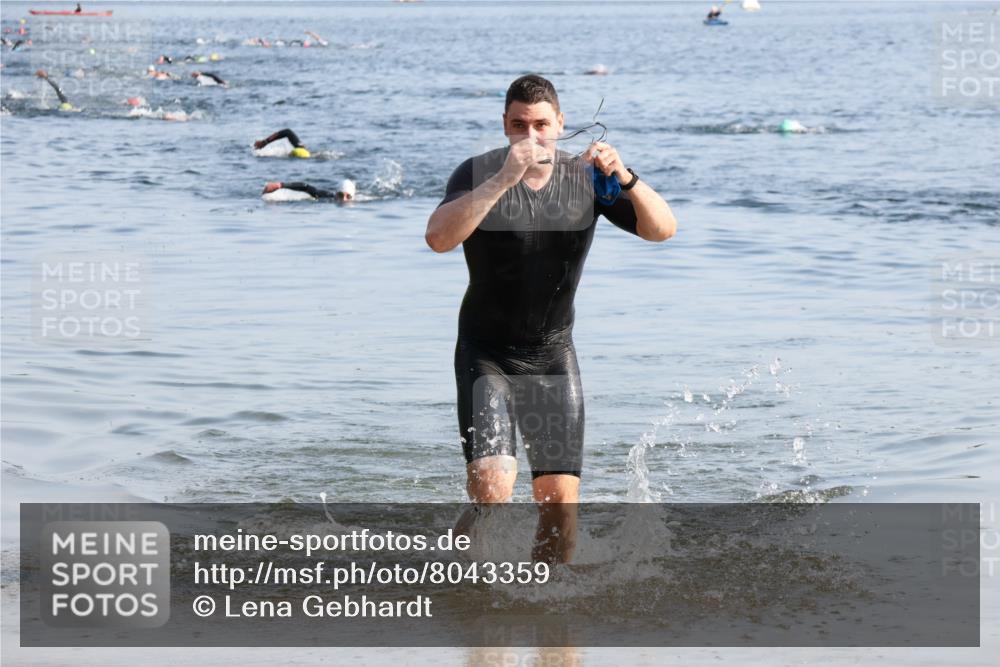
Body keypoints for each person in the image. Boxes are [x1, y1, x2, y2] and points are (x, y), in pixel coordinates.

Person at [425, 74, 676, 564]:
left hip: (551, 354)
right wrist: (503, 180)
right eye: (519, 125)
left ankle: (551, 615)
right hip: (487, 354)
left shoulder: (585, 179)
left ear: (560, 124)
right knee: (493, 489)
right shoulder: (478, 174)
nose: (531, 136)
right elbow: (438, 237)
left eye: (542, 124)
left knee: (560, 504)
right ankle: (450, 569)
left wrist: (625, 177)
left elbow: (662, 230)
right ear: (505, 126)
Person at [261, 180, 355, 202]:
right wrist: (280, 185)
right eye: (340, 195)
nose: (344, 200)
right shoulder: (326, 195)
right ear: (335, 194)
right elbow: (306, 187)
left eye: (348, 196)